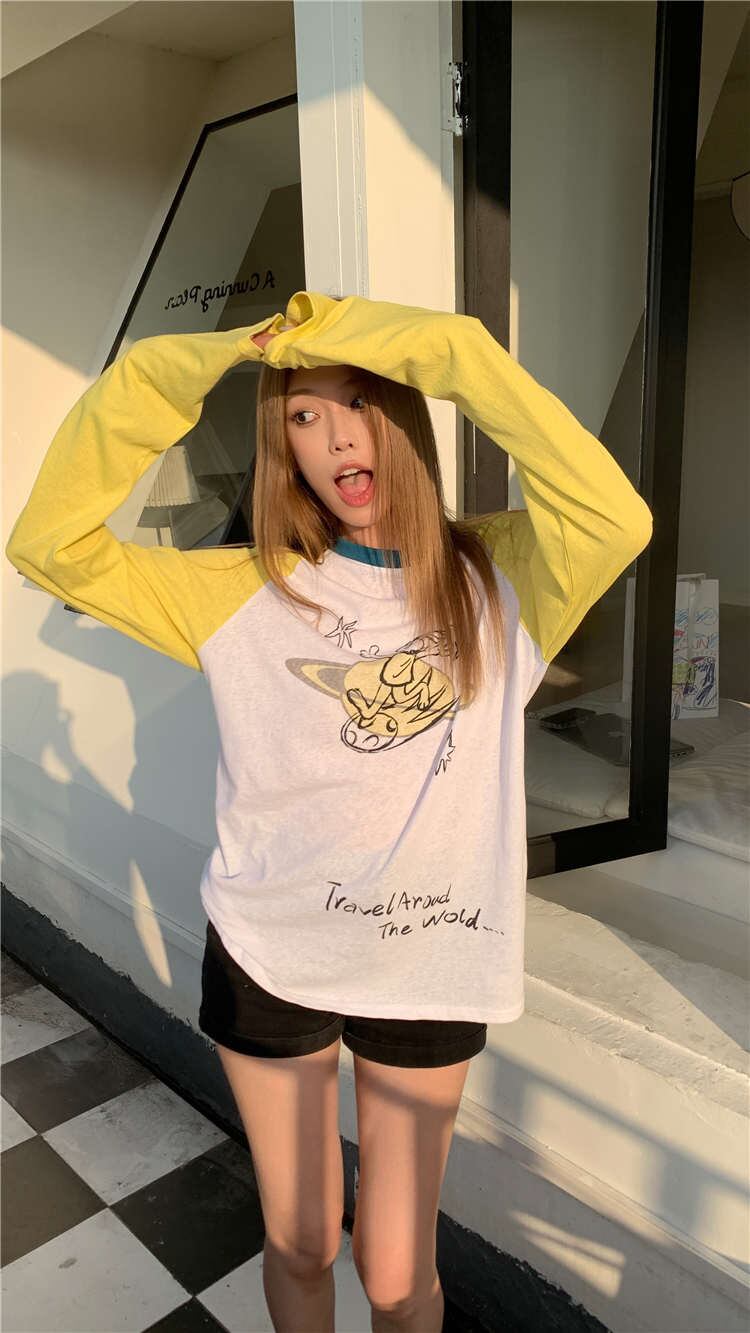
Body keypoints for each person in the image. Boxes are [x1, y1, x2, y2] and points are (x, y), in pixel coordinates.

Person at [5, 289, 653, 1333]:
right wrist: (212, 356)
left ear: (406, 409)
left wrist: (447, 348)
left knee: (397, 1275)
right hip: (272, 949)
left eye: (360, 400)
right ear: (286, 447)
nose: (338, 435)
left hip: (430, 956)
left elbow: (620, 517)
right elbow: (50, 544)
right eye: (303, 414)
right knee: (303, 1238)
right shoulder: (241, 589)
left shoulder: (506, 575)